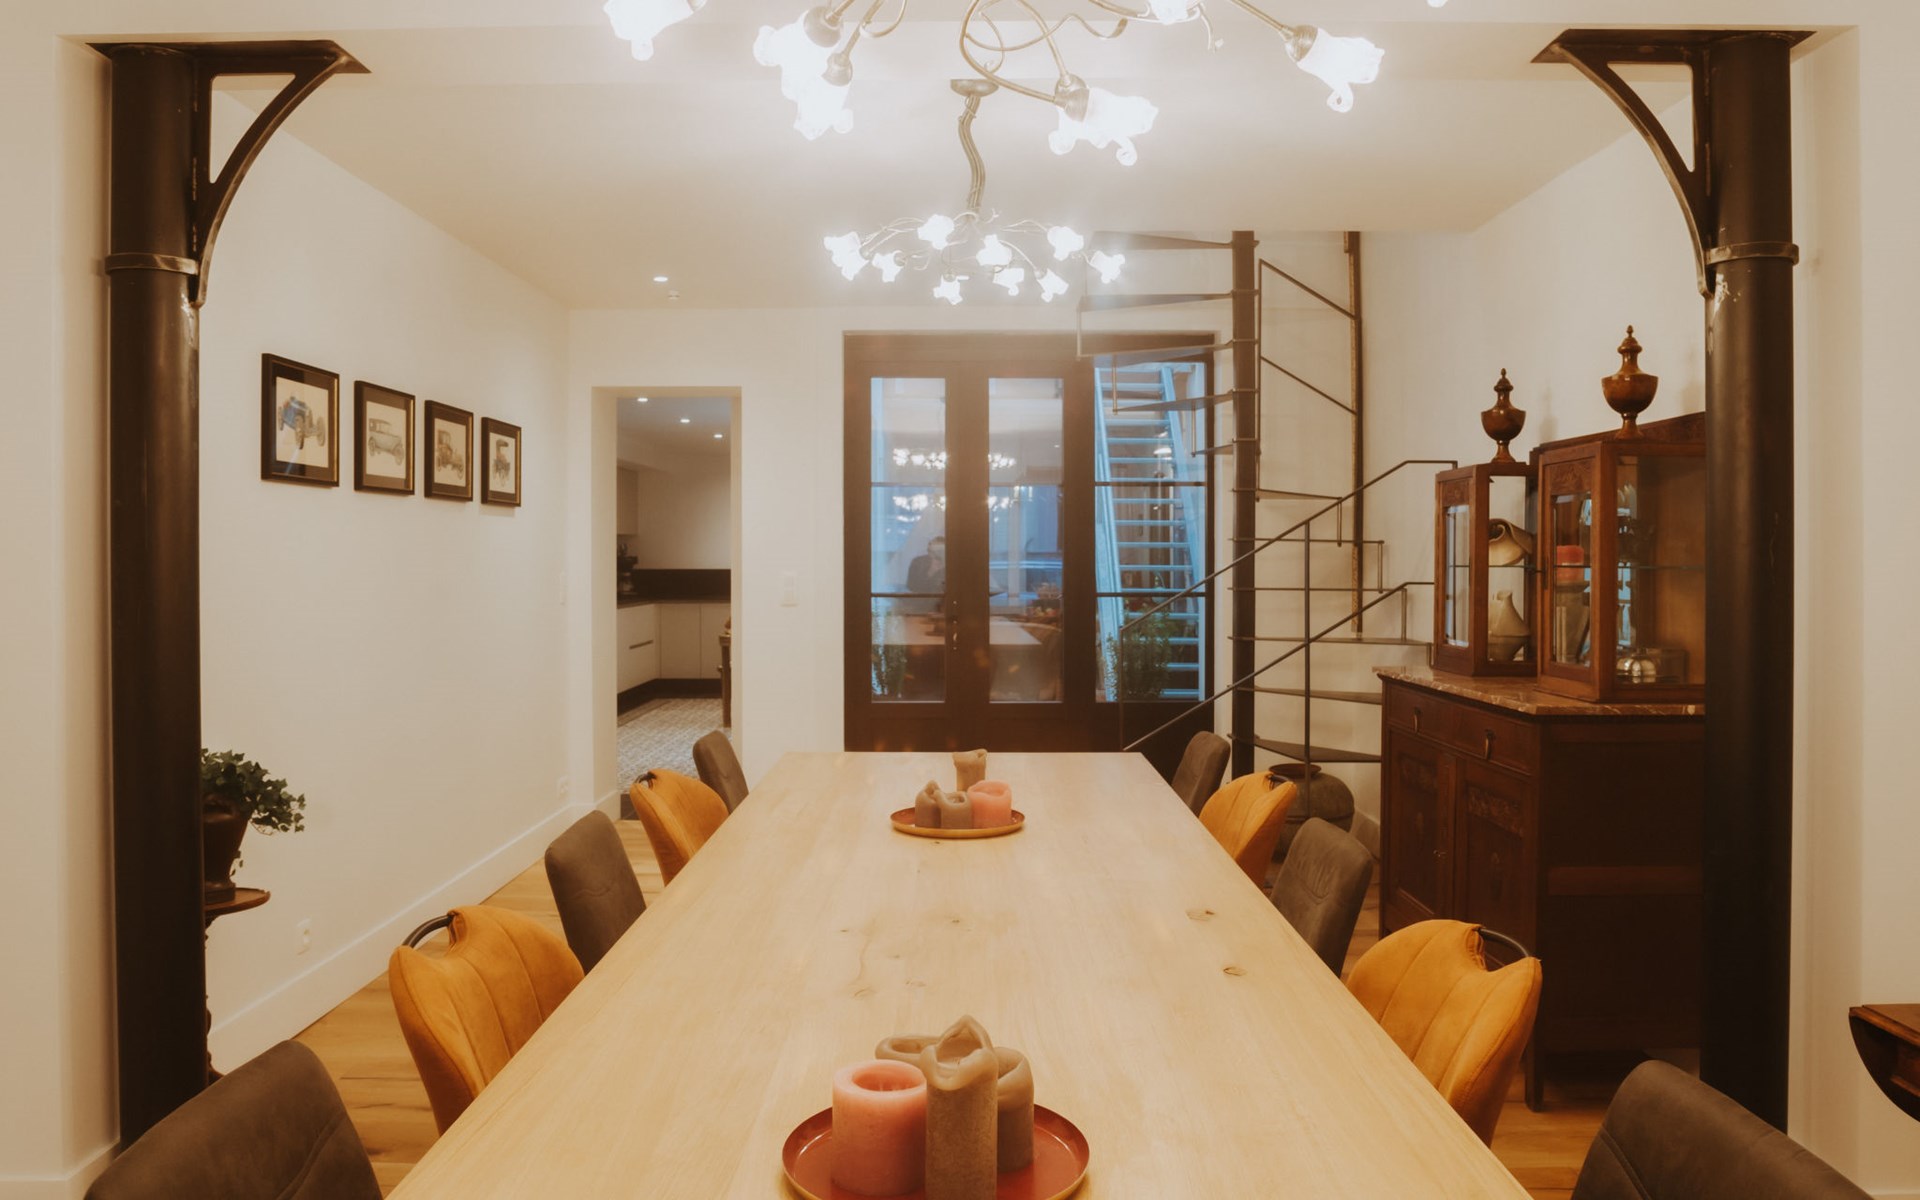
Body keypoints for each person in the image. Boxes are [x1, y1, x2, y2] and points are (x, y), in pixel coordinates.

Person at [906, 536, 946, 604]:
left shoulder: (953, 563)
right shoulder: (918, 562)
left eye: (939, 551)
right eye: (931, 551)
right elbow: (911, 587)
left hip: (946, 603)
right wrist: (930, 572)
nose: (935, 555)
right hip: (922, 603)